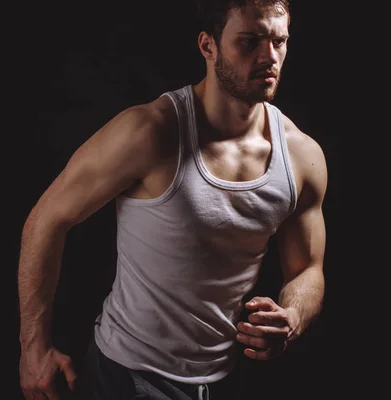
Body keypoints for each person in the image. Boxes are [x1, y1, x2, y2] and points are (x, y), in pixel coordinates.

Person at [18, 0, 327, 399]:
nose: (269, 57)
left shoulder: (301, 156)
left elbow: (309, 269)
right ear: (208, 46)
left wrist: (293, 316)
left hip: (226, 379)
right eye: (249, 42)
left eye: (279, 42)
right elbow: (46, 219)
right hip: (127, 377)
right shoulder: (151, 132)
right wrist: (33, 349)